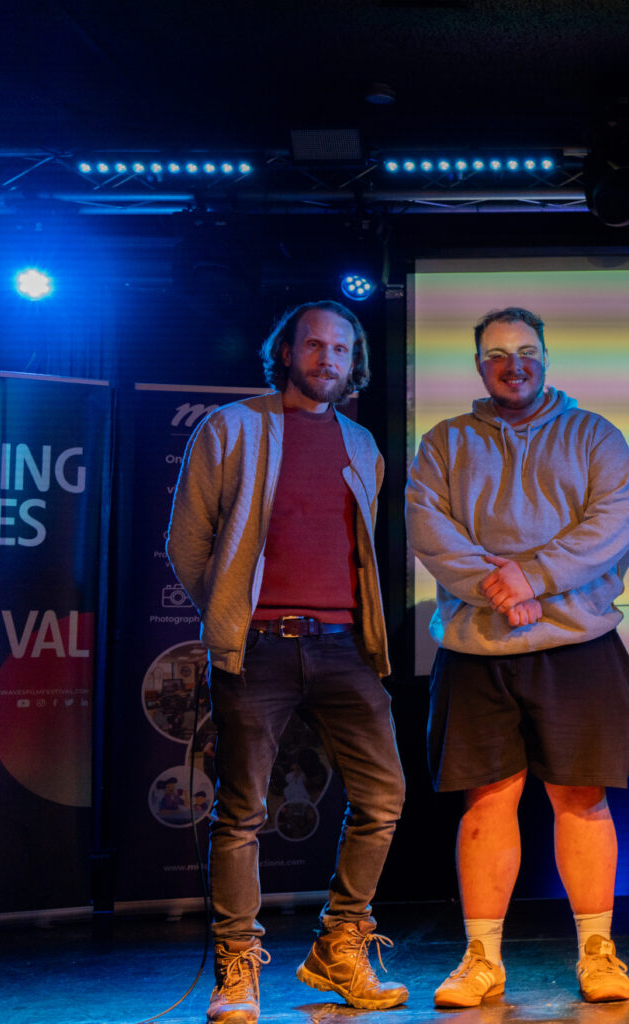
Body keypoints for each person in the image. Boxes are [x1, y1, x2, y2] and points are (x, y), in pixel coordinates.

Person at [167, 300, 407, 1024]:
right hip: (259, 646)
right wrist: (230, 615)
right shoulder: (231, 427)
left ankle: (340, 944)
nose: (327, 358)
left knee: (384, 798)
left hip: (345, 646)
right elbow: (187, 544)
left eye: (341, 348)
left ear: (354, 362)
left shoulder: (363, 443)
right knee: (242, 811)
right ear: (286, 352)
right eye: (313, 345)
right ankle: (237, 969)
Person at [405, 307, 629, 1005]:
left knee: (582, 799)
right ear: (480, 366)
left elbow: (611, 524)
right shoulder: (444, 442)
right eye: (498, 354)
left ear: (545, 356)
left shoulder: (595, 435)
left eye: (527, 351)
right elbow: (429, 529)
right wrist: (500, 588)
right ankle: (481, 960)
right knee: (485, 804)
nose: (515, 365)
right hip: (476, 648)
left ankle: (598, 953)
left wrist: (531, 578)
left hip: (578, 645)